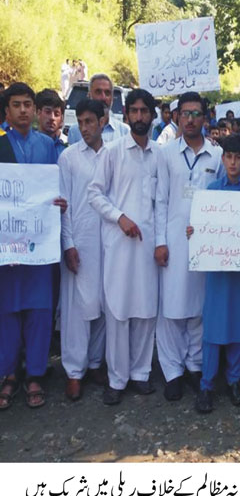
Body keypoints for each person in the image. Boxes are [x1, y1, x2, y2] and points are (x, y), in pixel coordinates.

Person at [87, 88, 160, 405]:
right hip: (119, 245)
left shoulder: (160, 155)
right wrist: (120, 218)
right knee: (118, 311)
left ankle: (141, 374)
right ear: (126, 115)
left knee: (145, 311)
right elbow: (94, 193)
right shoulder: (113, 152)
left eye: (145, 111)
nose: (140, 116)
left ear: (153, 116)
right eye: (135, 111)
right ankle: (117, 379)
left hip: (149, 247)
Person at [0, 83, 66, 410]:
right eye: (17, 105)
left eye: (28, 104)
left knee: (40, 310)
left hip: (39, 246)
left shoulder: (48, 146)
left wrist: (60, 203)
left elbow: (57, 188)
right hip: (7, 247)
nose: (24, 110)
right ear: (7, 111)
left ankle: (36, 373)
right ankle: (10, 373)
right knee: (8, 311)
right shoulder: (0, 144)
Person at [154, 92, 222, 401]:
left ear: (205, 118)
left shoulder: (217, 155)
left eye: (196, 114)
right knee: (172, 308)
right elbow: (160, 201)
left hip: (206, 243)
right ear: (177, 117)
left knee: (199, 307)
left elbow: (225, 198)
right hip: (173, 239)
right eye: (185, 113)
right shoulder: (166, 153)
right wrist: (160, 241)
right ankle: (172, 371)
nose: (191, 119)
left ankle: (195, 365)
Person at [189, 135, 240, 413]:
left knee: (239, 326)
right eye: (229, 157)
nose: (233, 162)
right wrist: (194, 232)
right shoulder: (210, 192)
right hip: (218, 272)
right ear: (222, 159)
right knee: (214, 328)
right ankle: (207, 385)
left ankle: (234, 380)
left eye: (238, 158)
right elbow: (201, 227)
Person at [59, 99, 109, 401]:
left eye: (89, 121)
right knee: (76, 310)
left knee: (102, 304)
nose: (84, 127)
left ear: (103, 121)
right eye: (80, 122)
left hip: (108, 242)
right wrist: (68, 244)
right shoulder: (69, 157)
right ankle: (74, 371)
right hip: (79, 241)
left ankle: (94, 363)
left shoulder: (113, 154)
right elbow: (64, 204)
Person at [68, 74, 130, 145]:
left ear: (112, 98)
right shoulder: (75, 132)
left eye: (107, 93)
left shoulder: (124, 131)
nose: (103, 98)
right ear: (89, 95)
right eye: (98, 92)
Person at [36, 89, 67, 158]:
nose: (52, 118)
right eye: (48, 112)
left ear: (62, 118)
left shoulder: (67, 149)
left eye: (56, 114)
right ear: (38, 113)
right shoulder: (27, 146)